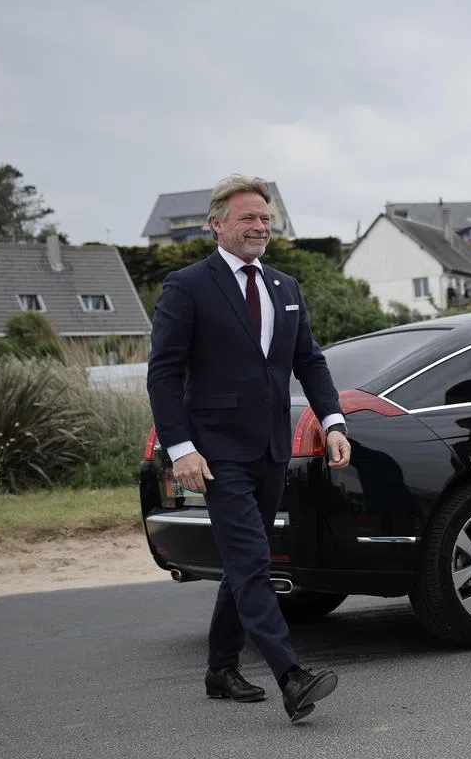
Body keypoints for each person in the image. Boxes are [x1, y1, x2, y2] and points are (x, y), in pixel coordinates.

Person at [147, 174, 350, 723]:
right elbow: (163, 374)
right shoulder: (188, 286)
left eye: (265, 218)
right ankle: (291, 675)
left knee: (244, 559)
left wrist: (333, 421)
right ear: (217, 225)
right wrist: (180, 449)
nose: (260, 226)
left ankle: (220, 668)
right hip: (215, 453)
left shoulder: (285, 287)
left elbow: (309, 360)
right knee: (254, 559)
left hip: (271, 448)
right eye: (248, 218)